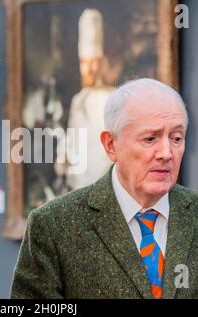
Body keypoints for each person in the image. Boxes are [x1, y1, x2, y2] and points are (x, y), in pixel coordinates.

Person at [10, 78, 198, 299]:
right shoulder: (53, 226)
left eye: (176, 138)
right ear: (111, 144)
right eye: (150, 139)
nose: (166, 153)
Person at [64, 8, 120, 190]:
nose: (88, 70)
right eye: (84, 63)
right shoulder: (78, 100)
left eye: (93, 62)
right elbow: (72, 141)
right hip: (78, 186)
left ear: (102, 62)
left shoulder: (112, 98)